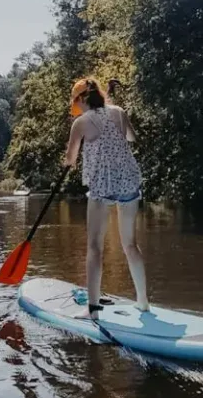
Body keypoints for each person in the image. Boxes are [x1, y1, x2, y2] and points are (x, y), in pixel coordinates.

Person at [63, 77, 149, 319]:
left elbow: (70, 159)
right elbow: (131, 138)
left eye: (76, 102)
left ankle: (92, 310)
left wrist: (68, 161)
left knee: (94, 247)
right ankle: (143, 302)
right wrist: (119, 119)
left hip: (102, 184)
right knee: (130, 244)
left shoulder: (80, 123)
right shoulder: (119, 112)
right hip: (128, 181)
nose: (75, 107)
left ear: (81, 99)